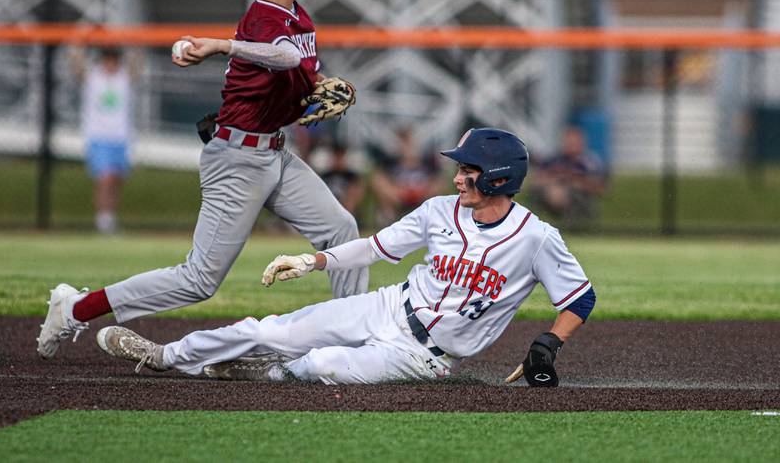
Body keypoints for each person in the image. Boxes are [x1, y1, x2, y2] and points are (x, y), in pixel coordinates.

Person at [36, 0, 368, 360]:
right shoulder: (262, 18)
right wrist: (221, 45)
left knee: (341, 230)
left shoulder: (298, 17)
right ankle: (78, 307)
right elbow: (282, 56)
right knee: (198, 280)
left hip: (276, 152)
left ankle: (352, 337)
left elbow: (295, 71)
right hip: (237, 159)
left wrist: (315, 86)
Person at [95, 128, 597, 387]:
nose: (458, 178)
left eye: (469, 171)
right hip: (386, 305)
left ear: (500, 178)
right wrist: (316, 261)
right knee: (267, 329)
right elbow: (376, 247)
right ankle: (163, 356)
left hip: (423, 357)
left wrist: (549, 343)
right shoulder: (440, 209)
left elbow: (580, 296)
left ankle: (262, 371)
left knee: (320, 365)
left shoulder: (537, 238)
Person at [73, 47, 135, 234]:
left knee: (116, 179)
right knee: (105, 178)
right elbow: (76, 60)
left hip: (121, 137)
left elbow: (136, 61)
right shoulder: (94, 78)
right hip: (99, 136)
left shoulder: (124, 78)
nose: (111, 63)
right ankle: (103, 220)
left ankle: (110, 217)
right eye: (108, 59)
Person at [528, 125, 607, 227]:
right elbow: (535, 179)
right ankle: (533, 225)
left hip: (578, 198)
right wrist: (553, 182)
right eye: (568, 142)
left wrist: (574, 181)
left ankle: (577, 226)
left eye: (574, 142)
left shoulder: (590, 162)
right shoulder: (553, 159)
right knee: (536, 192)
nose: (571, 145)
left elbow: (600, 187)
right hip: (549, 195)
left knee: (576, 194)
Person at [371, 128, 443, 226]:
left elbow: (438, 180)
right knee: (379, 180)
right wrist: (396, 191)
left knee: (437, 183)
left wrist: (424, 191)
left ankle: (432, 217)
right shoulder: (391, 162)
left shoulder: (427, 162)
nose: (407, 146)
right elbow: (379, 179)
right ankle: (388, 217)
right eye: (403, 142)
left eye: (409, 142)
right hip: (399, 196)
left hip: (423, 194)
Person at [320, 142, 365, 216]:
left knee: (350, 199)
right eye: (336, 157)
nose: (338, 161)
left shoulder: (351, 176)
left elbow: (358, 191)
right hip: (330, 201)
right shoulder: (326, 175)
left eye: (340, 157)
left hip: (346, 202)